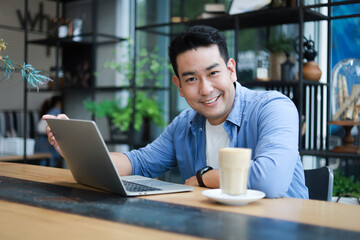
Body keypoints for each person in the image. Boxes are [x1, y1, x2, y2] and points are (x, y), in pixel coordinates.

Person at [44, 25, 308, 199]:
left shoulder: (274, 107)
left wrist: (204, 178)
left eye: (214, 73)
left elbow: (270, 181)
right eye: (191, 79)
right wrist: (76, 150)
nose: (205, 89)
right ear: (179, 86)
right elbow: (139, 162)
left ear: (231, 70)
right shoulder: (185, 124)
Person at [36, 95, 63, 167]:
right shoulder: (56, 110)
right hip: (46, 144)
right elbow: (41, 127)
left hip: (42, 143)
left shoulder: (50, 110)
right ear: (58, 103)